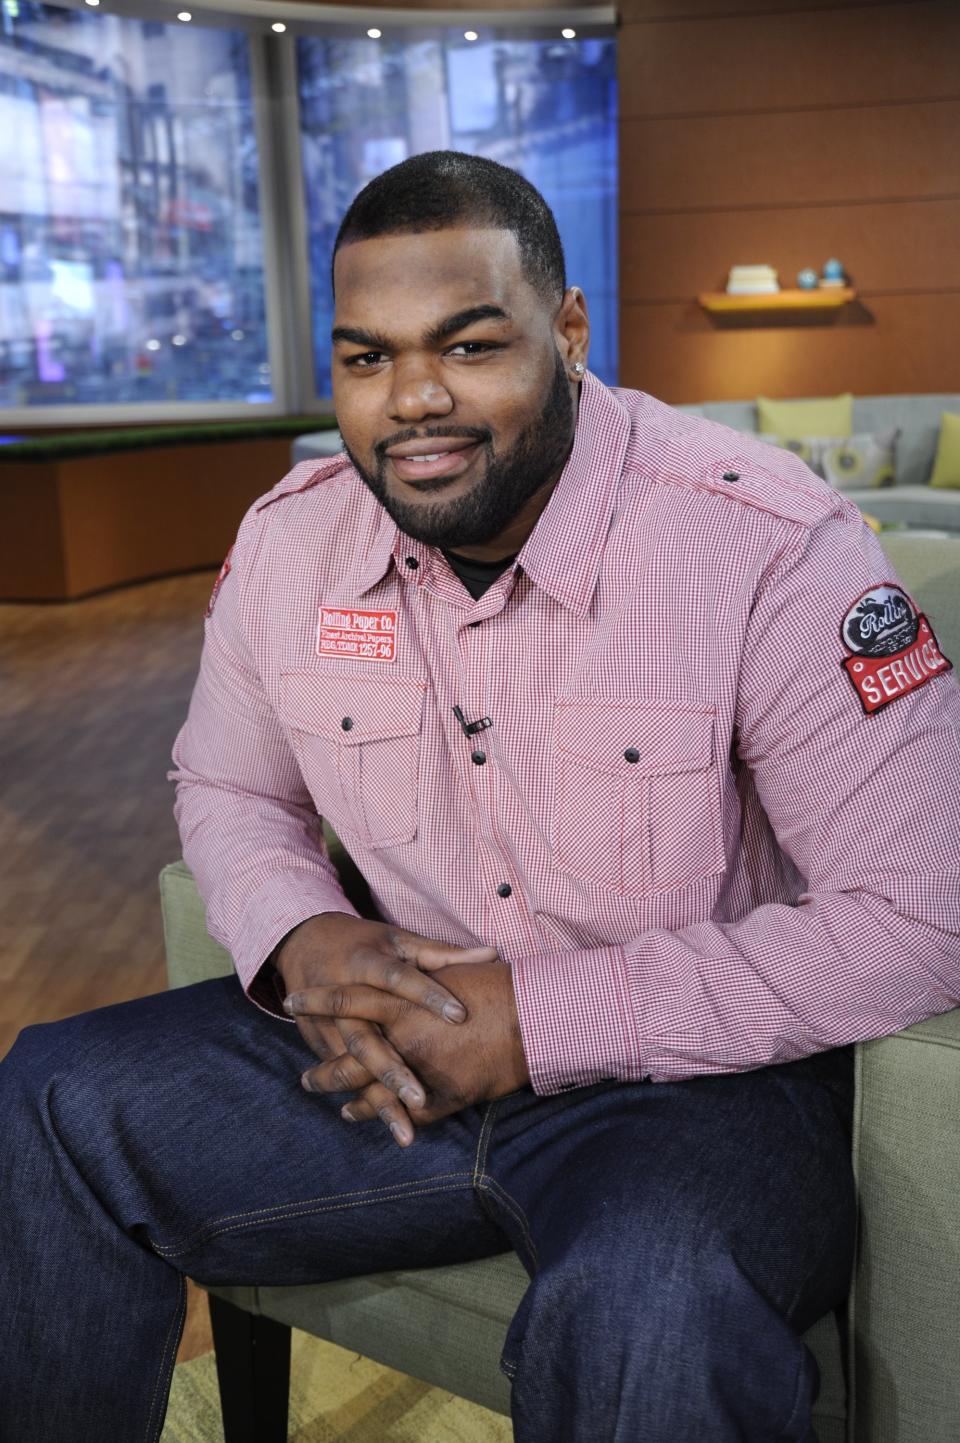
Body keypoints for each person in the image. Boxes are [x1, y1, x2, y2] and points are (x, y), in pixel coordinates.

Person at [2, 150, 959, 1443]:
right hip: (391, 1049)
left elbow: (921, 915)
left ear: (569, 334)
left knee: (647, 1304)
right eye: (365, 358)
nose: (413, 402)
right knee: (54, 1099)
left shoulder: (768, 549)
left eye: (467, 344)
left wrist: (537, 1023)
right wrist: (304, 939)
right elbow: (225, 783)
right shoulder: (295, 545)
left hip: (694, 1085)